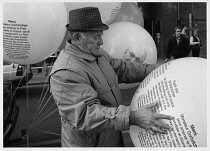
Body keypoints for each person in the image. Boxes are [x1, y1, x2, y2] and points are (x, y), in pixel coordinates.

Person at [49, 7, 173, 147]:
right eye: (96, 37)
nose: (101, 41)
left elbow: (123, 69)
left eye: (101, 36)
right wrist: (132, 117)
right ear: (77, 37)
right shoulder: (66, 72)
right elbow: (85, 115)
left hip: (110, 138)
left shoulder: (98, 54)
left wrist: (161, 70)